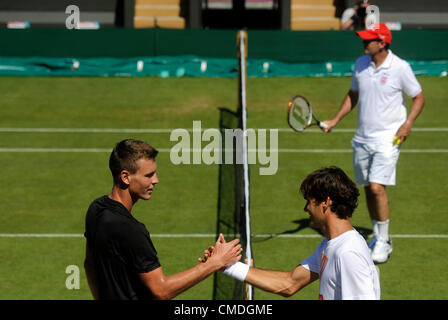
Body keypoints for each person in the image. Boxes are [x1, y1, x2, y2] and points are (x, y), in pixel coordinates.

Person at [84, 139, 242, 300]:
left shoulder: (95, 209)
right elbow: (162, 290)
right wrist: (215, 263)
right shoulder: (131, 230)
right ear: (125, 177)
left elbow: (89, 265)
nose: (156, 180)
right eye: (149, 175)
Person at [321, 23, 425, 264]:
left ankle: (384, 240)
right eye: (364, 39)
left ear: (382, 43)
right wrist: (335, 120)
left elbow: (418, 97)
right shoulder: (360, 64)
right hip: (362, 138)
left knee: (377, 187)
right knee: (367, 187)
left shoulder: (400, 67)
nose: (364, 43)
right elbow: (353, 95)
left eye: (369, 40)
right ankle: (377, 235)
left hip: (389, 138)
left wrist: (407, 123)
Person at [202, 167, 381, 300]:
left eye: (309, 202)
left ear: (325, 202)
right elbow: (289, 283)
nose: (306, 209)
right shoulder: (330, 244)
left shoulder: (348, 253)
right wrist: (227, 265)